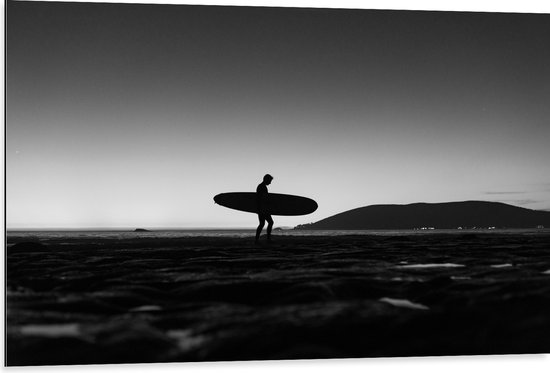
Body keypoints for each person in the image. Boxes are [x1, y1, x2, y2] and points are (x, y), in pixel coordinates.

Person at [255, 174, 274, 244]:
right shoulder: (261, 187)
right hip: (262, 208)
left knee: (262, 224)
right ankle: (267, 239)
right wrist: (260, 208)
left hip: (262, 208)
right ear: (266, 179)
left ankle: (257, 240)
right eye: (270, 181)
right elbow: (260, 198)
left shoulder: (262, 186)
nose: (270, 182)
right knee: (269, 222)